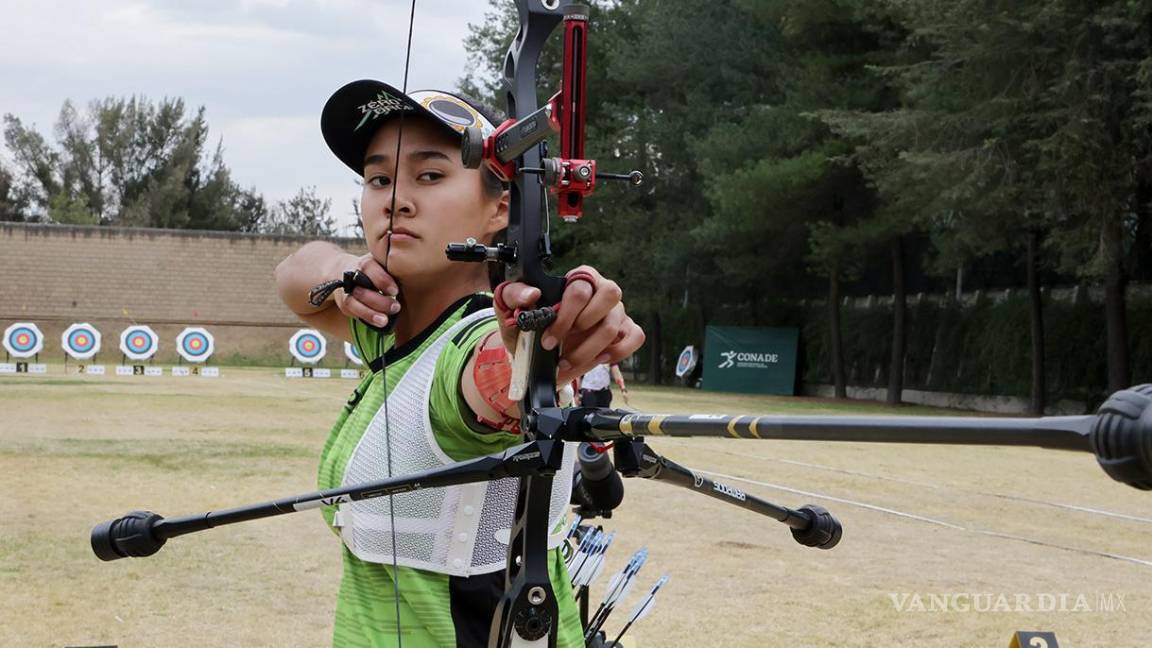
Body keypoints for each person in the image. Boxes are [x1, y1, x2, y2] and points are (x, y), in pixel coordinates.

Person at [274, 80, 644, 648]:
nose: (395, 198)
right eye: (378, 178)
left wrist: (547, 347)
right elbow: (294, 275)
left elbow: (489, 381)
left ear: (502, 207)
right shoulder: (385, 325)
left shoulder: (466, 340)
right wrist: (345, 269)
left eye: (429, 175)